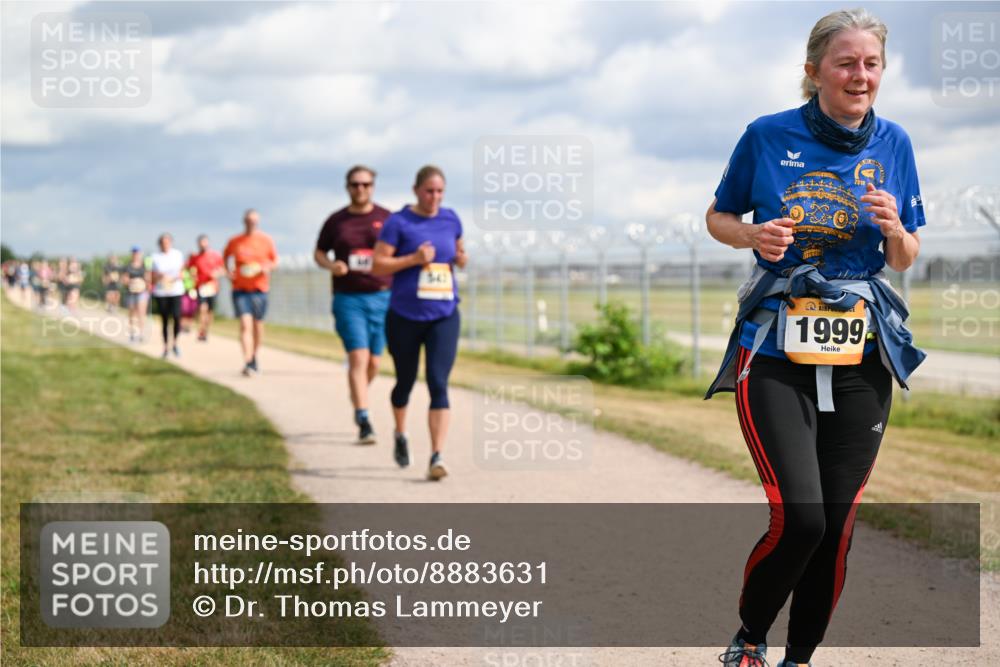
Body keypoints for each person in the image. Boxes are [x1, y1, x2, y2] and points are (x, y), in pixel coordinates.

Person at [704, 9, 926, 667]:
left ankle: (800, 657)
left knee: (837, 529)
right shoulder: (767, 136)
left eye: (872, 64)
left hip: (862, 351)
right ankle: (749, 637)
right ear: (813, 71)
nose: (861, 75)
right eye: (846, 62)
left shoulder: (897, 144)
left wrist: (893, 230)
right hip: (774, 348)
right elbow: (719, 215)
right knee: (802, 519)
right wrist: (751, 234)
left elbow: (909, 255)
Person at [372, 165, 467, 480]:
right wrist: (412, 260)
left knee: (439, 382)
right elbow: (378, 264)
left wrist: (462, 259)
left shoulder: (451, 219)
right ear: (416, 190)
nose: (435, 197)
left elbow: (459, 251)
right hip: (405, 316)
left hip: (444, 313)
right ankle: (400, 433)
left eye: (440, 191)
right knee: (405, 382)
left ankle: (436, 456)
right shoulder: (398, 223)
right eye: (429, 191)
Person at [314, 165, 393, 444]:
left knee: (374, 361)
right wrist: (331, 265)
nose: (361, 189)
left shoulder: (387, 218)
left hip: (383, 296)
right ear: (347, 187)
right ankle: (363, 418)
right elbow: (319, 252)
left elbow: (402, 251)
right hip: (348, 298)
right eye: (355, 184)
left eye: (366, 184)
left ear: (373, 186)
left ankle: (357, 391)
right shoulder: (337, 221)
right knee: (358, 358)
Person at [224, 209, 278, 376]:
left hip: (259, 289)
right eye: (248, 220)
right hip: (240, 288)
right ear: (244, 221)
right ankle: (247, 360)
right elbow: (225, 257)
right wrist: (229, 272)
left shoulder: (266, 240)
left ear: (258, 222)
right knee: (245, 324)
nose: (251, 223)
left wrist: (264, 267)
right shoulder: (235, 241)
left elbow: (274, 261)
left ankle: (254, 356)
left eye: (254, 220)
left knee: (257, 325)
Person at [150, 233, 186, 358]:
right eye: (163, 243)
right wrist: (160, 276)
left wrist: (175, 277)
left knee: (176, 317)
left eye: (168, 242)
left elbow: (182, 271)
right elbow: (152, 275)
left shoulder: (177, 254)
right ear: (160, 244)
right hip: (161, 291)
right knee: (165, 320)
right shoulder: (155, 257)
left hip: (175, 290)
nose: (165, 245)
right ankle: (166, 347)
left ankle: (175, 343)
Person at [187, 234, 225, 341]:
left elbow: (223, 269)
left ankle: (205, 330)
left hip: (213, 287)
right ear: (198, 244)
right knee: (202, 309)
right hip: (201, 287)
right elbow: (189, 270)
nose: (203, 245)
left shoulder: (216, 256)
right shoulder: (194, 257)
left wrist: (217, 273)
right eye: (201, 243)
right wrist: (193, 277)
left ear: (208, 243)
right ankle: (201, 331)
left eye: (205, 242)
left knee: (210, 312)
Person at [123, 247, 150, 342]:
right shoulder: (128, 267)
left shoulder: (144, 266)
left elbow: (148, 279)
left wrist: (143, 284)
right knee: (131, 314)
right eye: (134, 253)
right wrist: (132, 282)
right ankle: (132, 333)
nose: (136, 255)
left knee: (141, 313)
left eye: (137, 253)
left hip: (142, 293)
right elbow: (124, 279)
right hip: (131, 293)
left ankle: (141, 333)